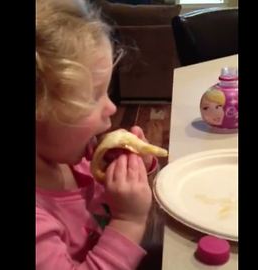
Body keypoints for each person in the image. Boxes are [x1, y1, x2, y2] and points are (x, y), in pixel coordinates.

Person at [36, 0, 159, 269]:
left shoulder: (77, 154)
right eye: (93, 97)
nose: (112, 108)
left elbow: (107, 187)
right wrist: (128, 220)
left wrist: (133, 164)